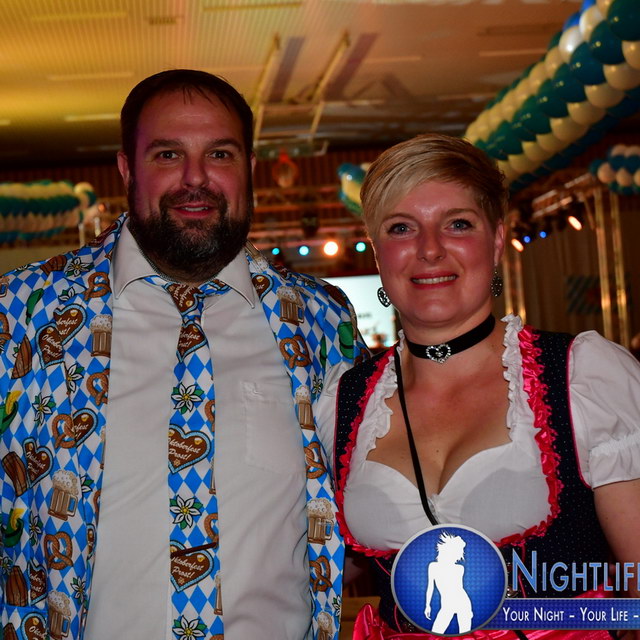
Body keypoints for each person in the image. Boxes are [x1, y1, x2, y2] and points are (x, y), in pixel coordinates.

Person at [0, 69, 367, 640]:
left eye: (219, 153)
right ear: (127, 169)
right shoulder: (20, 315)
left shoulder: (319, 321)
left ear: (248, 167)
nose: (195, 178)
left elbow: (370, 500)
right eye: (168, 154)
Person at [333, 133, 640, 639]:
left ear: (496, 241)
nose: (430, 249)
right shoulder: (344, 401)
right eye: (401, 228)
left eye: (457, 224)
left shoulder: (581, 376)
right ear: (378, 252)